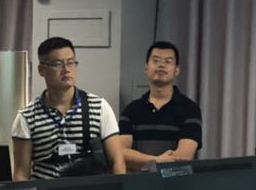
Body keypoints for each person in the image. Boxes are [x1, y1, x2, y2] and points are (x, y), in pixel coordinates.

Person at [12, 37, 126, 180]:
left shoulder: (99, 107)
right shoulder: (27, 116)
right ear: (41, 70)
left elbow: (117, 162)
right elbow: (21, 173)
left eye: (71, 63)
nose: (66, 70)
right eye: (58, 64)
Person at [116, 41, 203, 170]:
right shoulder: (131, 110)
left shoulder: (190, 109)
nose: (161, 65)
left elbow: (182, 158)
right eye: (156, 60)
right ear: (146, 68)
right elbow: (120, 153)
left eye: (168, 61)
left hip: (175, 181)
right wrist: (156, 161)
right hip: (138, 181)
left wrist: (144, 162)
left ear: (176, 70)